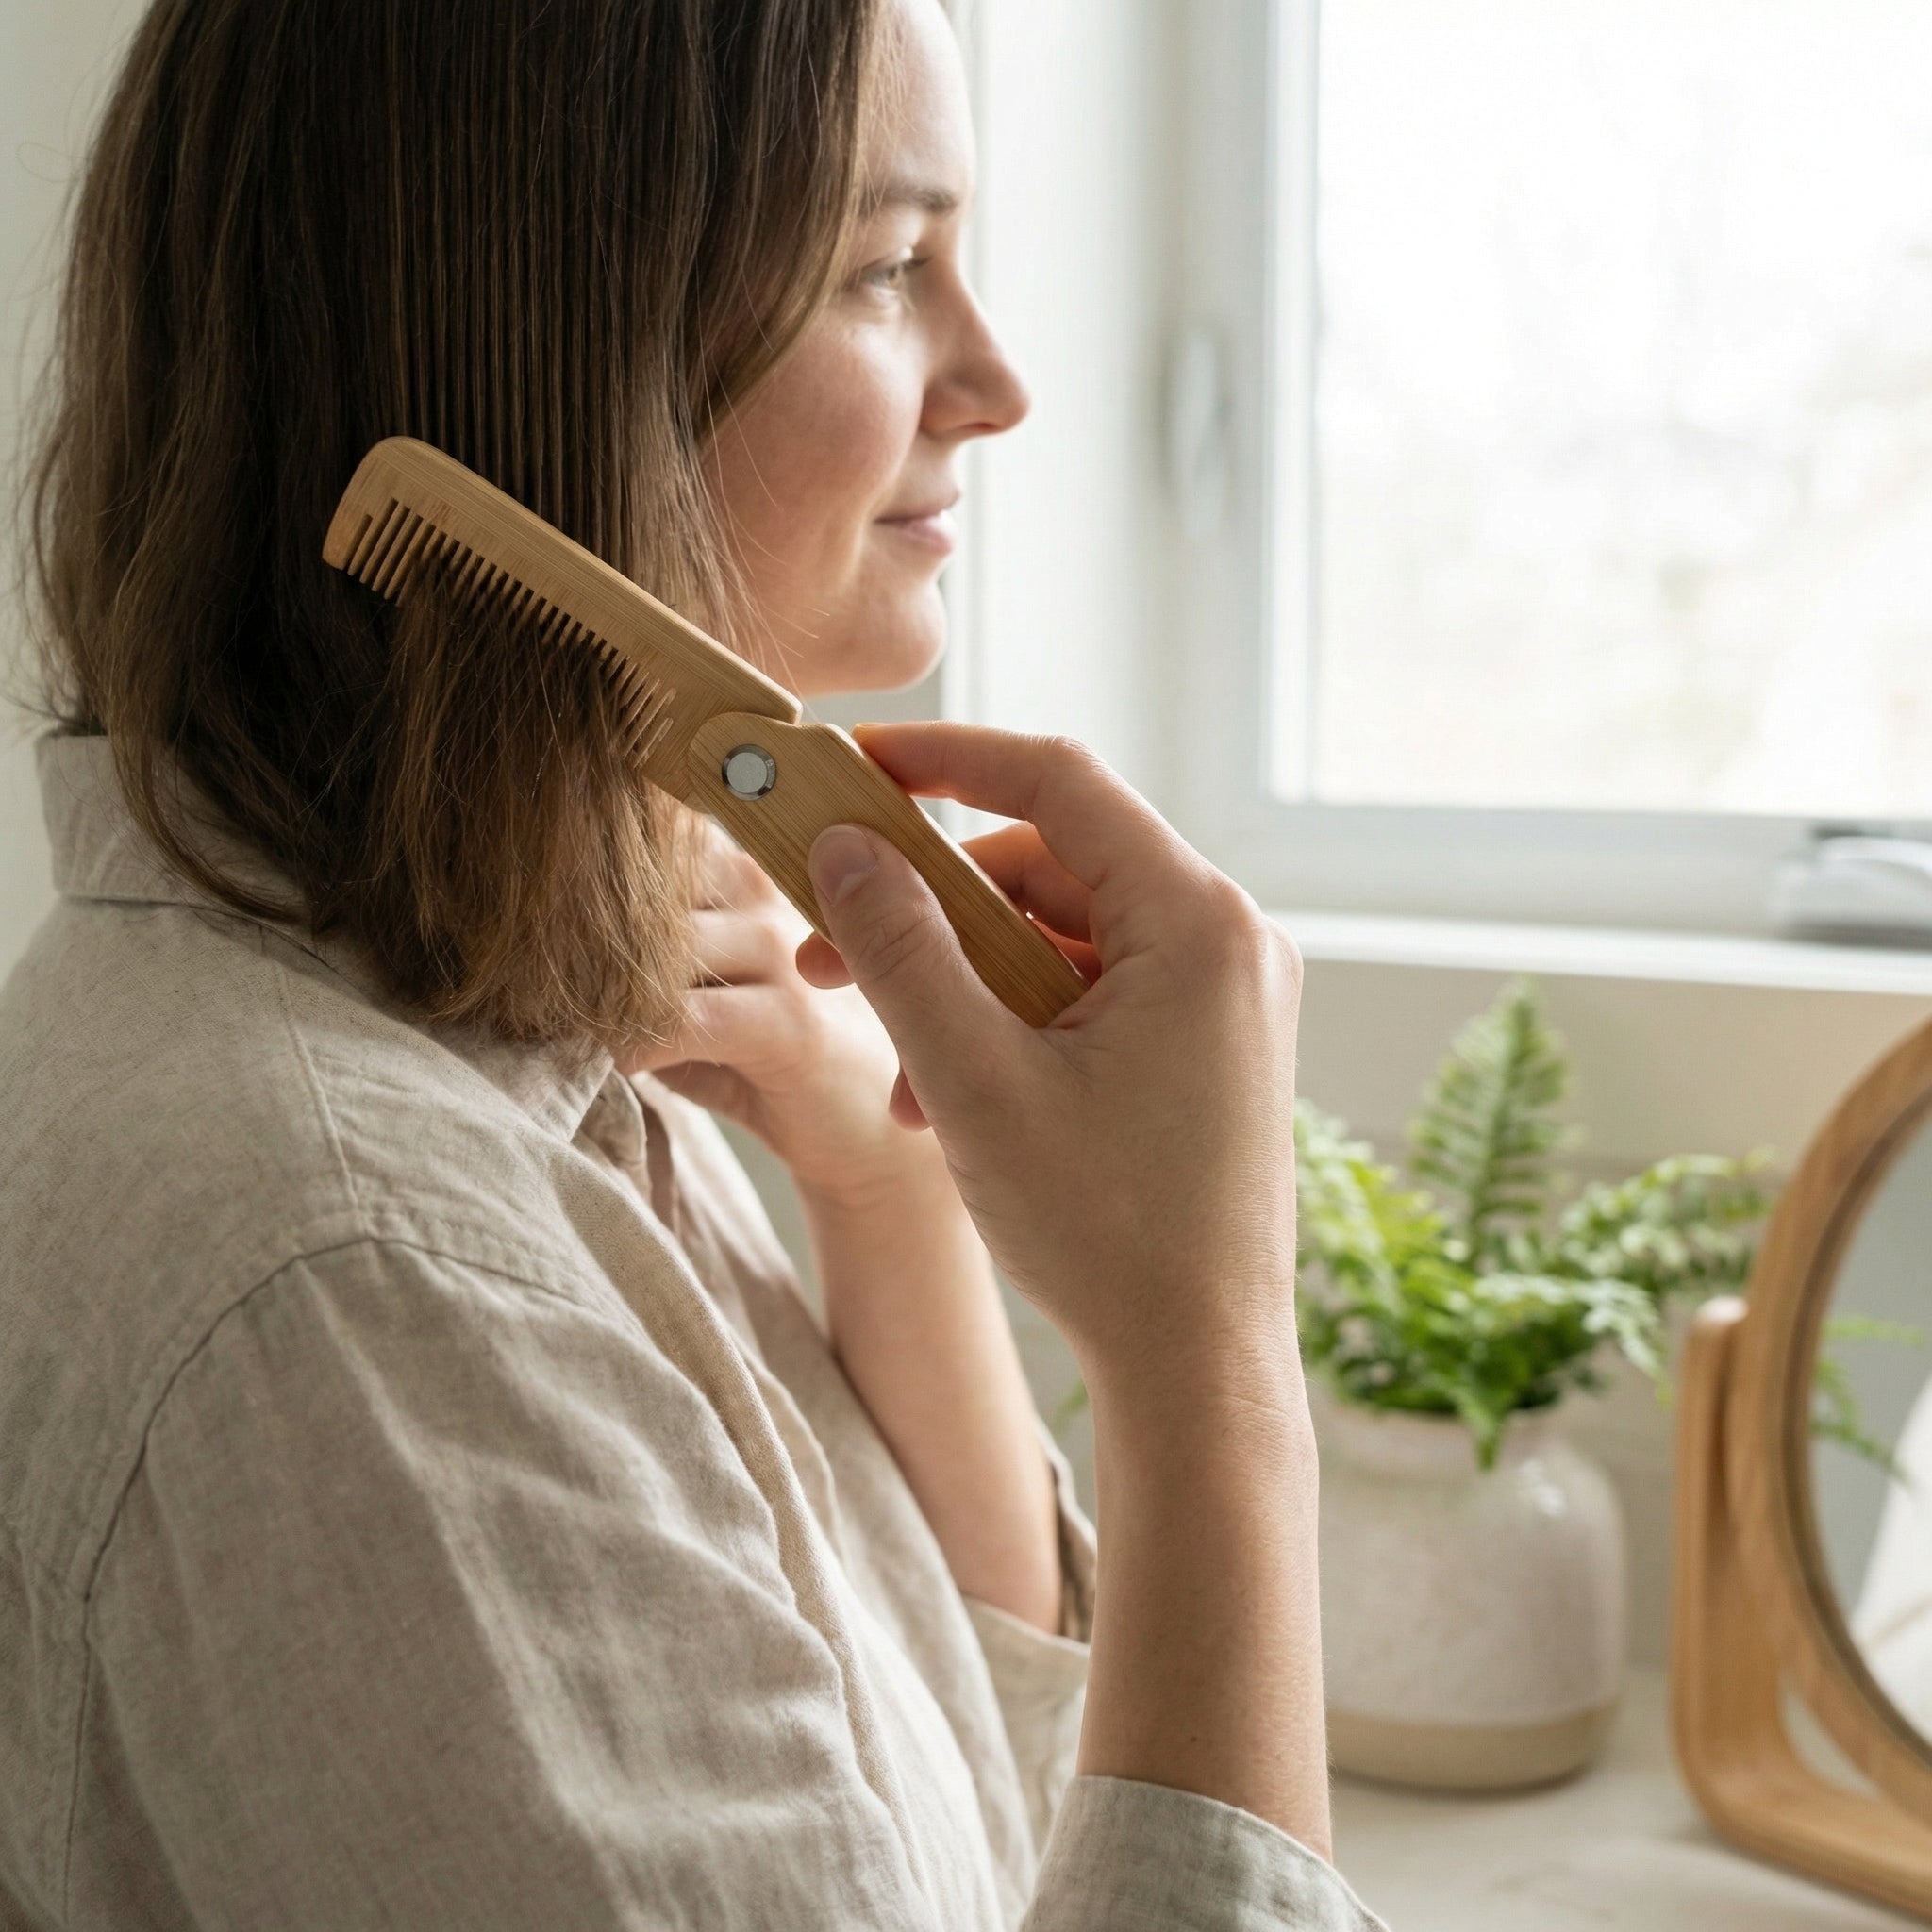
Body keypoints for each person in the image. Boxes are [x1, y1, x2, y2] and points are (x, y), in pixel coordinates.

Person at [0, 0, 1383, 1925]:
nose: (996, 383)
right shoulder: (373, 1287)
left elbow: (980, 1814)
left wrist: (887, 1187)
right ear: (551, 356)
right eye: (888, 268)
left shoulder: (552, 1057)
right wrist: (1209, 1372)